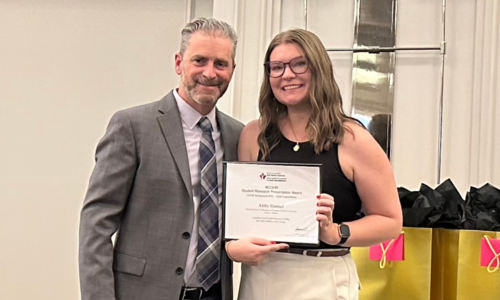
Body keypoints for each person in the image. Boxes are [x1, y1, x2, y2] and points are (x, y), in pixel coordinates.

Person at [227, 29, 403, 300]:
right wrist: (233, 248)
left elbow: (390, 221)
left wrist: (337, 233)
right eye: (277, 67)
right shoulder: (254, 135)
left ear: (318, 68)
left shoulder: (353, 139)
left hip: (325, 276)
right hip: (262, 278)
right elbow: (242, 215)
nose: (287, 75)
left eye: (299, 64)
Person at [79, 18, 243, 300]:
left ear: (232, 69)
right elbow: (97, 222)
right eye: (199, 60)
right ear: (179, 63)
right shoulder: (133, 126)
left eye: (220, 63)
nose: (209, 73)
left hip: (215, 293)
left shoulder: (237, 135)